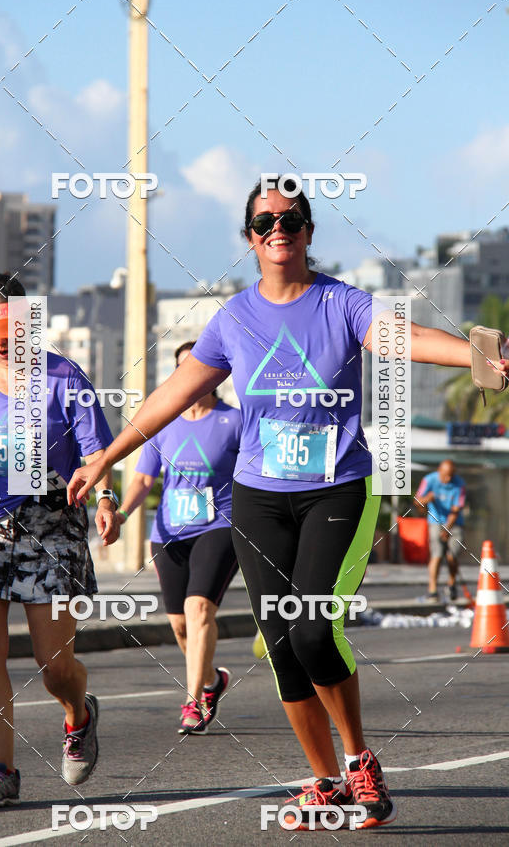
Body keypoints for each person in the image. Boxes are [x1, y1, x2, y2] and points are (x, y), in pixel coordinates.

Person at [67, 177, 509, 830]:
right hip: (258, 498)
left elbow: (404, 338)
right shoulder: (234, 318)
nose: (279, 228)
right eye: (265, 220)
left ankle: (359, 760)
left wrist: (492, 354)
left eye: (291, 218)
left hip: (337, 490)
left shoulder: (341, 304)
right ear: (250, 236)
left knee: (310, 628)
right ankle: (324, 781)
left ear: (307, 231)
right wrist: (106, 456)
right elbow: (172, 392)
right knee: (280, 643)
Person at [0, 273, 119, 808]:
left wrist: (106, 499)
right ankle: (2, 770)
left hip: (51, 524)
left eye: (10, 326)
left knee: (52, 663)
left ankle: (78, 712)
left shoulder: (64, 377)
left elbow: (96, 454)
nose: (0, 338)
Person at [118, 341, 241, 734]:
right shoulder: (164, 422)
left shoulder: (235, 421)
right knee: (180, 625)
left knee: (199, 609)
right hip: (169, 532)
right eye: (180, 368)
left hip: (220, 525)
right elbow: (142, 478)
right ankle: (210, 682)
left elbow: (257, 477)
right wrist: (121, 515)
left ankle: (192, 702)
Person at [414, 460, 466, 601]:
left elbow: (456, 510)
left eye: (451, 475)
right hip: (435, 521)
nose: (448, 479)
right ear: (439, 471)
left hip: (454, 523)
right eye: (445, 476)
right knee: (436, 555)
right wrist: (426, 499)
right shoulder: (429, 480)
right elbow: (417, 501)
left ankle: (451, 583)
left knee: (451, 556)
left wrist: (447, 529)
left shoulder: (459, 484)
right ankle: (433, 590)